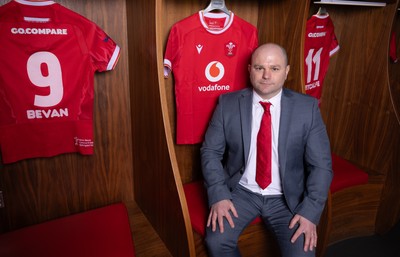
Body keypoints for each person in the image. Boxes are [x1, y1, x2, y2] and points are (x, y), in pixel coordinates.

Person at [200, 43, 333, 257]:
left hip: (287, 198)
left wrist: (309, 213)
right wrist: (218, 195)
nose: (266, 75)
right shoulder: (228, 104)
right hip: (242, 192)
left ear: (287, 71)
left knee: (303, 254)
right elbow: (210, 152)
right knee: (217, 241)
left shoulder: (306, 108)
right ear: (250, 69)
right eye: (259, 67)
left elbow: (321, 166)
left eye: (275, 68)